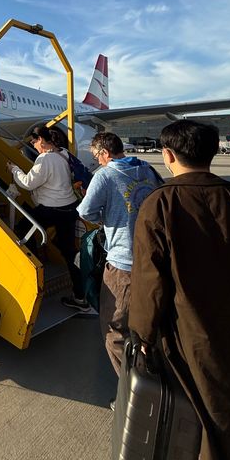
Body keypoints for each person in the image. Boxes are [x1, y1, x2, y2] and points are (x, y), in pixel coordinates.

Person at [130, 120, 230, 460]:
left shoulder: (160, 203)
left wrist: (142, 335)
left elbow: (149, 281)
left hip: (191, 334)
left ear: (168, 155)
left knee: (210, 423)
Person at [77, 131, 163, 375]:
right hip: (153, 258)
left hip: (123, 263)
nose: (97, 160)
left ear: (105, 153)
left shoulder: (105, 175)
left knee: (114, 330)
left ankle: (132, 385)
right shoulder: (146, 169)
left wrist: (106, 217)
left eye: (97, 156)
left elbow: (85, 211)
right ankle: (155, 371)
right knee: (150, 323)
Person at [7, 125, 86, 311]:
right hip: (70, 209)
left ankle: (35, 270)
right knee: (69, 252)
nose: (33, 146)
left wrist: (14, 170)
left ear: (41, 140)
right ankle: (81, 297)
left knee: (22, 229)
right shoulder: (63, 153)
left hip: (51, 210)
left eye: (34, 142)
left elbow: (27, 183)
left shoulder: (44, 159)